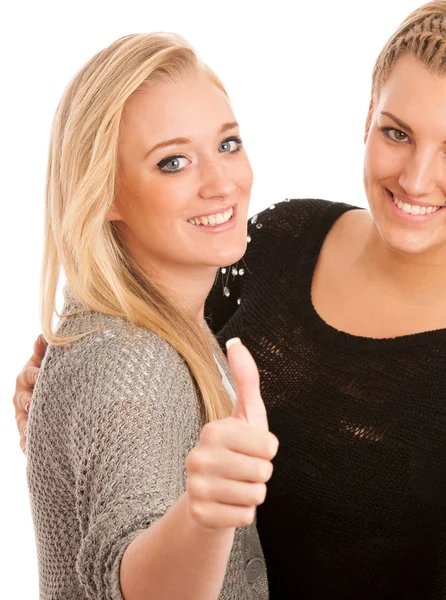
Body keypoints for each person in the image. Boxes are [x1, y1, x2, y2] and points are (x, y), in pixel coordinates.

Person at [13, 1, 446, 599]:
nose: (416, 178)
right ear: (368, 118)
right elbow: (164, 361)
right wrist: (75, 411)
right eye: (397, 133)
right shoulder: (278, 242)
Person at [19, 32, 279, 599]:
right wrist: (204, 516)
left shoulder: (132, 335)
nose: (222, 182)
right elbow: (128, 576)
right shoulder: (133, 360)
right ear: (104, 192)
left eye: (228, 144)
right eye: (174, 162)